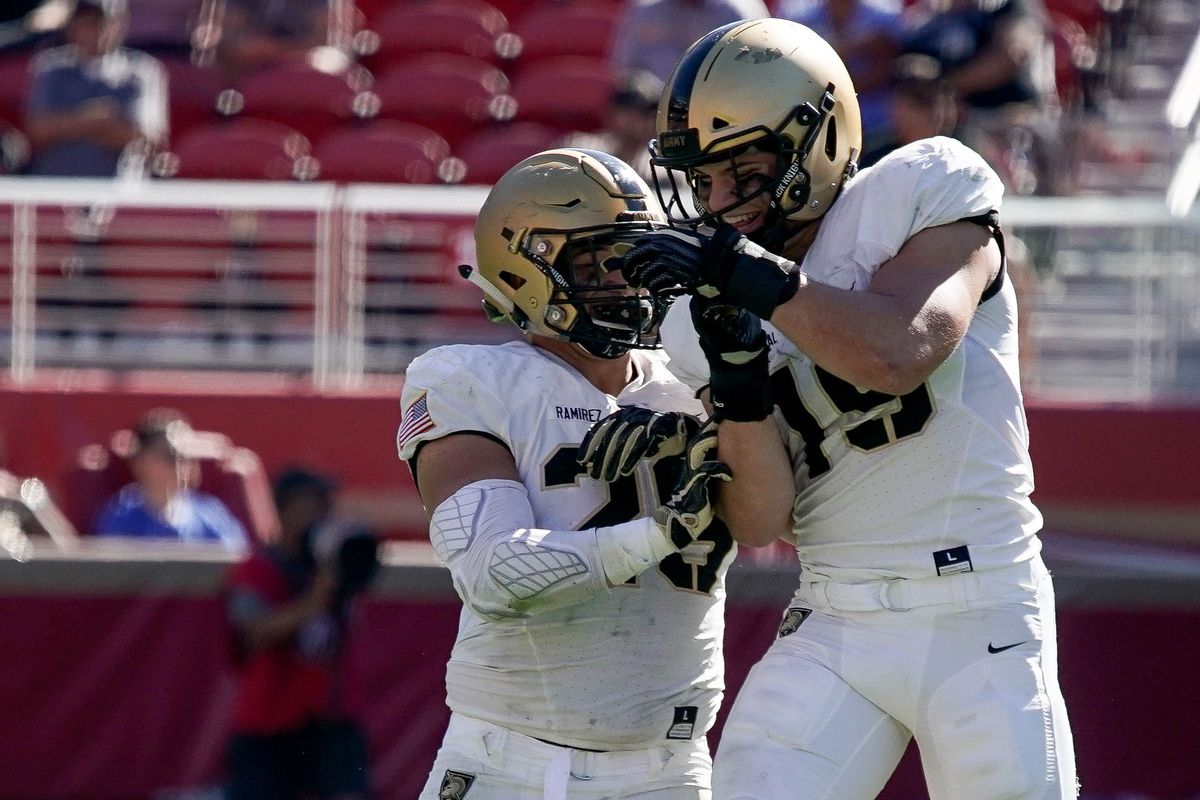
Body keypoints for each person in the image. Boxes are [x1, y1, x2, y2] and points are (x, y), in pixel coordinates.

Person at [617, 18, 1077, 799]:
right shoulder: (703, 315)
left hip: (980, 606)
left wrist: (754, 280)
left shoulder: (923, 185)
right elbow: (765, 521)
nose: (720, 203)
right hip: (834, 617)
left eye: (744, 172)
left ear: (817, 140)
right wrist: (734, 374)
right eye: (703, 182)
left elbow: (900, 351)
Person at [397, 147, 735, 799]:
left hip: (672, 769)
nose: (631, 282)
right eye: (601, 262)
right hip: (514, 765)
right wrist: (662, 531)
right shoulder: (470, 379)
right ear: (526, 266)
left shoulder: (698, 386)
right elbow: (492, 571)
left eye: (639, 258)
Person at [224, 467, 377, 800]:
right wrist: (316, 599)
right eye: (315, 503)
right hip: (269, 726)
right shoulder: (257, 569)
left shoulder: (332, 565)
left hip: (330, 721)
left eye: (327, 503)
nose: (324, 512)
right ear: (286, 508)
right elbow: (255, 629)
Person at [23, 0, 168, 178]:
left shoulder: (143, 71)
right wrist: (96, 120)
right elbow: (38, 131)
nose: (93, 30)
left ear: (120, 24)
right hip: (55, 184)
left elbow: (146, 139)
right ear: (71, 26)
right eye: (85, 22)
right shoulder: (49, 68)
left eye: (101, 22)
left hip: (122, 188)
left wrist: (68, 126)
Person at [91, 408, 248, 548]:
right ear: (139, 462)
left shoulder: (210, 514)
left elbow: (237, 563)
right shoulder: (120, 517)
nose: (181, 464)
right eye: (170, 455)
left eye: (186, 457)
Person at [608, 0, 769, 86]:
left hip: (716, 103)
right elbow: (623, 69)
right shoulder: (646, 9)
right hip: (650, 109)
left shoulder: (741, 10)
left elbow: (760, 71)